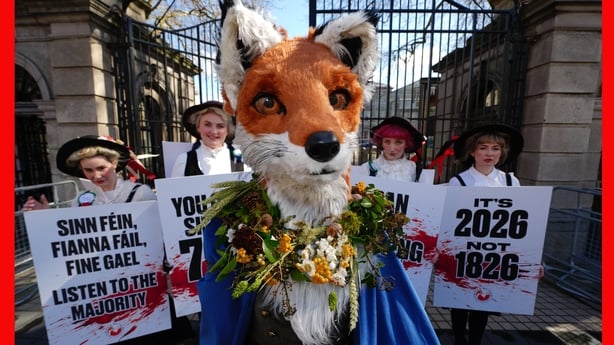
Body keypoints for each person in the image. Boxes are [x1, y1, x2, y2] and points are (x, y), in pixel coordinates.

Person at [446, 123, 524, 345]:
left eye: (495, 148)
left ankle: (476, 342)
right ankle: (459, 339)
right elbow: (448, 221)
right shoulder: (459, 182)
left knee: (484, 301)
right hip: (463, 253)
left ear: (502, 152)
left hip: (493, 254)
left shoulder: (511, 182)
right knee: (459, 301)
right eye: (483, 148)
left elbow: (521, 224)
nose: (489, 154)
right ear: (472, 151)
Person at [21, 135, 156, 211]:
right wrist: (44, 215)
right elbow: (69, 234)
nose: (96, 176)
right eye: (88, 170)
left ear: (114, 164)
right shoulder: (81, 199)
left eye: (101, 168)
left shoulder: (141, 193)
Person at [170, 100, 246, 177]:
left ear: (228, 130)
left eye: (220, 126)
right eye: (207, 125)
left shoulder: (241, 159)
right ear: (198, 127)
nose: (214, 131)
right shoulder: (184, 160)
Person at [355, 116, 425, 182]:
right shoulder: (367, 168)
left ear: (406, 144)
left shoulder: (415, 170)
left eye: (398, 142)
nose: (392, 148)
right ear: (381, 143)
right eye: (387, 142)